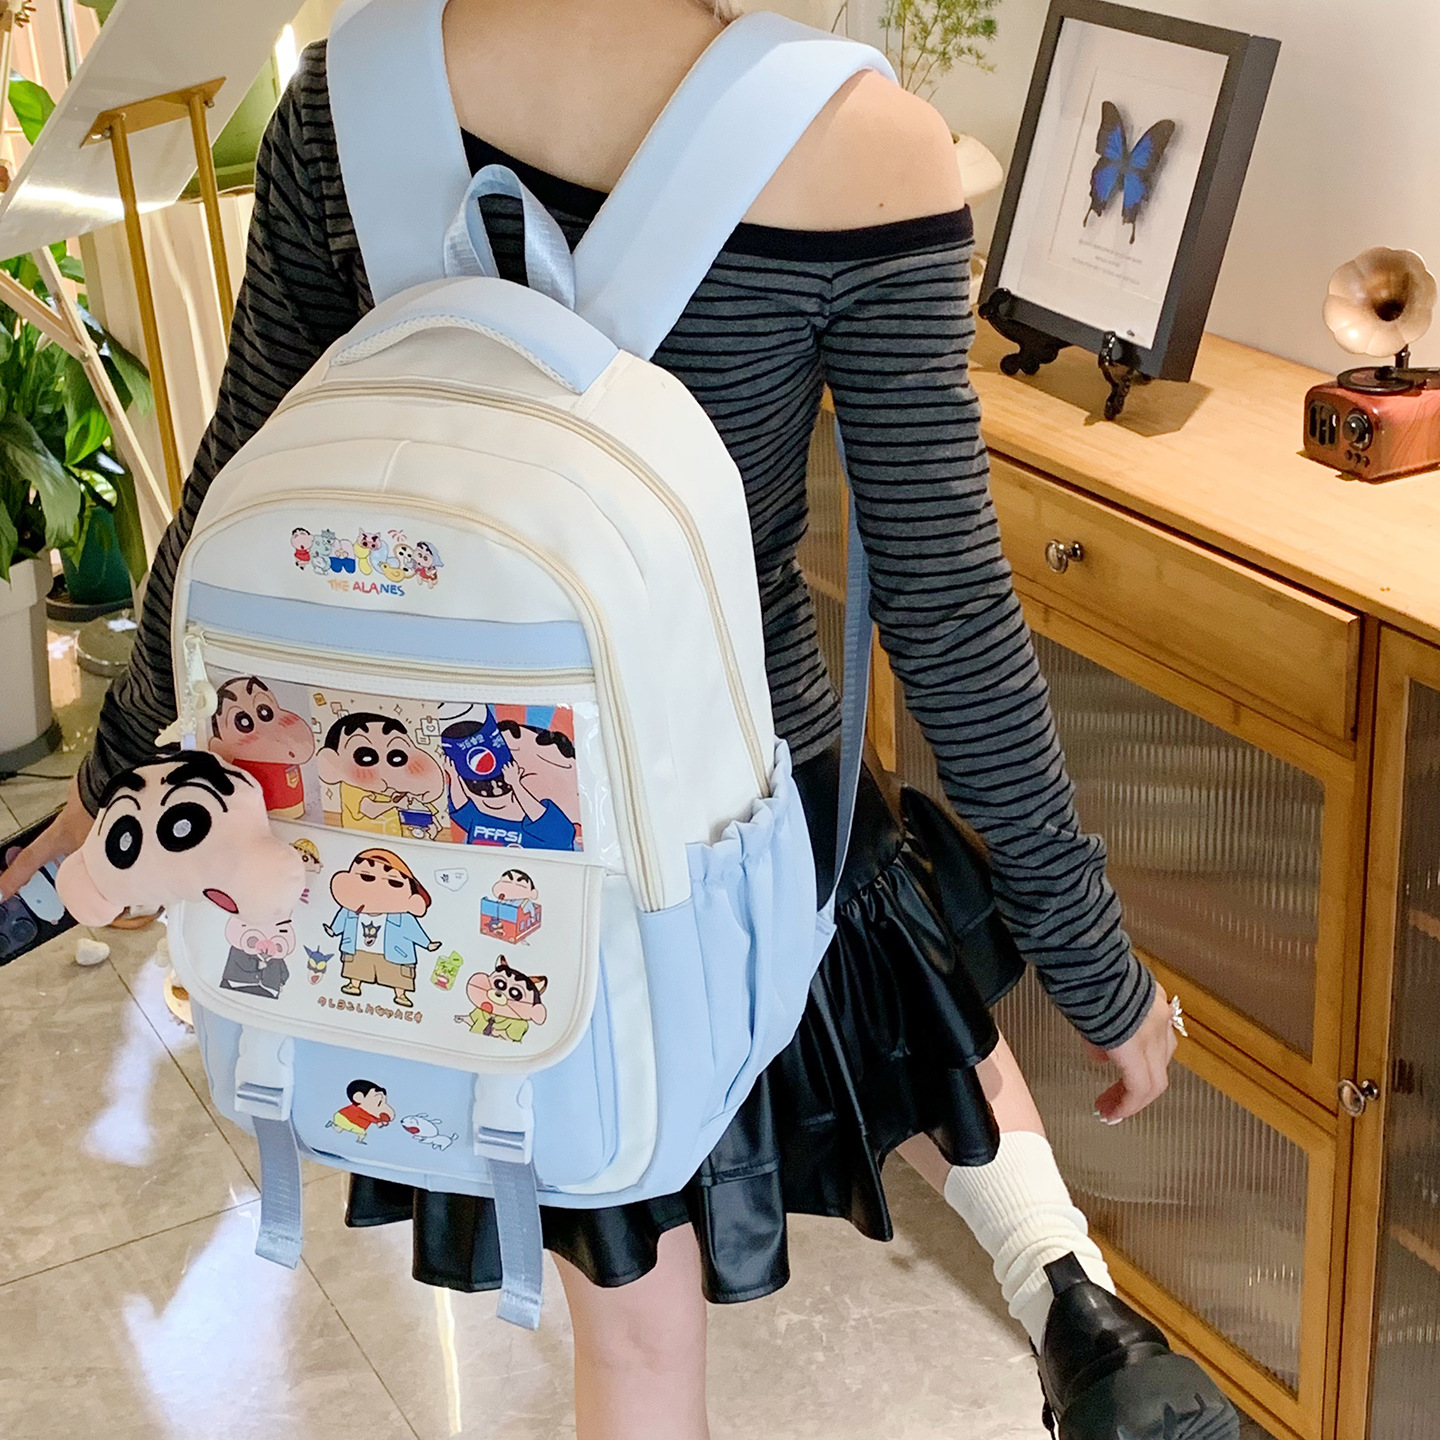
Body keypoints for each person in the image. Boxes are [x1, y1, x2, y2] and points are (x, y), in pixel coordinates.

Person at [0, 3, 1226, 1438]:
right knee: (907, 1009)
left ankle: (1061, 1293)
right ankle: (1071, 1297)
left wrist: (106, 789)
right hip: (753, 796)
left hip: (463, 824)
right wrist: (1100, 976)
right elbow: (947, 617)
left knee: (636, 1333)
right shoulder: (866, 145)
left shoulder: (350, 89)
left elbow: (237, 477)